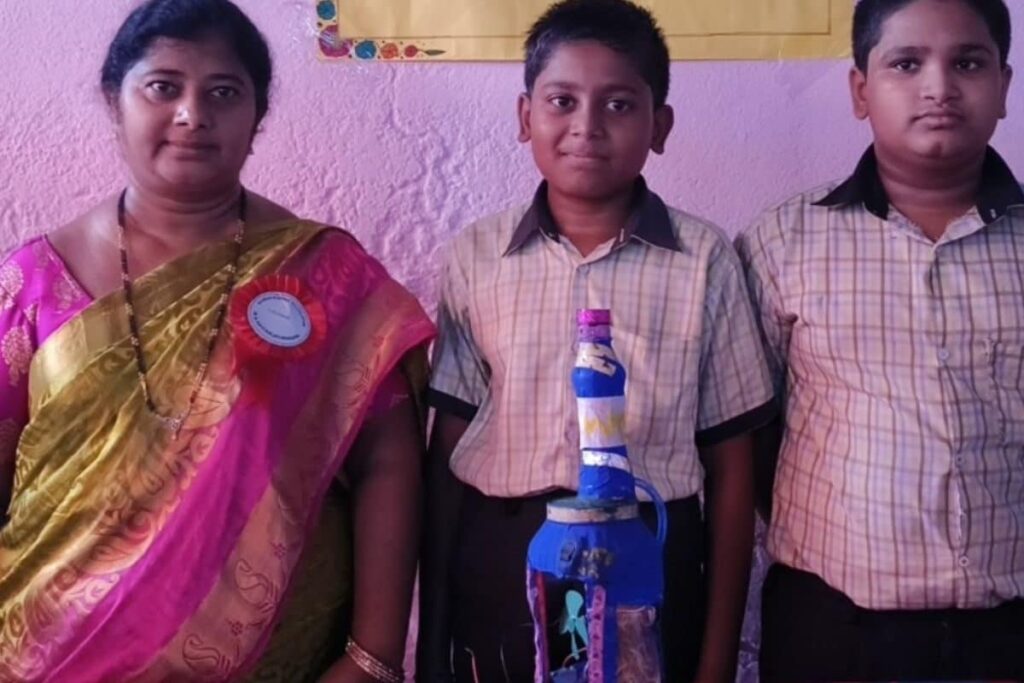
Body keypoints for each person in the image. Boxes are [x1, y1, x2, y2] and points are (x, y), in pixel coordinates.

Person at [0, 1, 434, 681]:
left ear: (257, 116)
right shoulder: (28, 283)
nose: (192, 114)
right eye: (163, 86)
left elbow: (390, 457)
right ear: (115, 103)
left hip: (274, 658)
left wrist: (372, 657)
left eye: (223, 92)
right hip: (48, 658)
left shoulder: (325, 275)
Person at [417, 1, 775, 680]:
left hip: (651, 555)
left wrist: (717, 660)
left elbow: (733, 470)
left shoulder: (704, 261)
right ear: (526, 117)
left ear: (659, 125)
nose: (586, 126)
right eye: (562, 100)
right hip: (504, 554)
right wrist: (432, 637)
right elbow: (447, 448)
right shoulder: (475, 256)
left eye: (618, 104)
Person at [736, 0, 1024, 680]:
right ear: (862, 90)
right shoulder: (782, 242)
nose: (939, 87)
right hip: (833, 624)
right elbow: (750, 429)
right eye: (906, 63)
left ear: (1005, 87)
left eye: (969, 63)